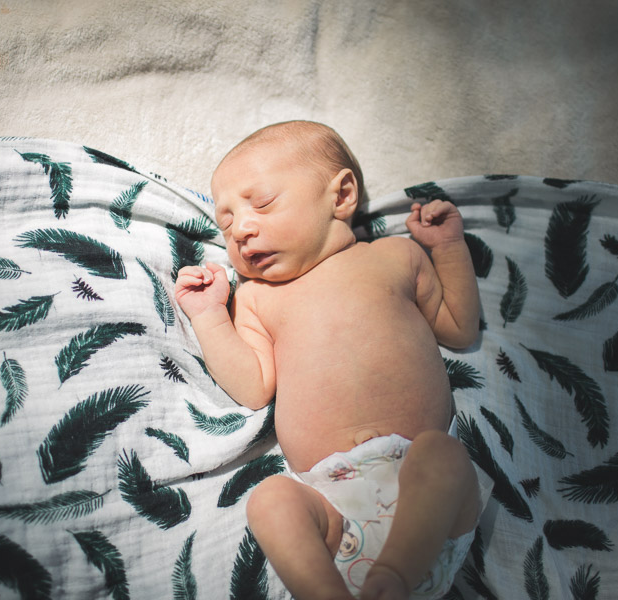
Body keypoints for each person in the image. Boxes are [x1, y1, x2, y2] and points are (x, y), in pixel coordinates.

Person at [175, 121, 492, 599]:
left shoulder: (395, 258)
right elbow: (253, 386)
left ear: (341, 195)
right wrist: (207, 315)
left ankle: (395, 575)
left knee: (444, 455)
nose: (240, 228)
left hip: (424, 506)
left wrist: (447, 249)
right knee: (271, 499)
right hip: (332, 510)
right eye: (226, 223)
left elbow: (459, 327)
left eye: (261, 203)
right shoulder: (259, 298)